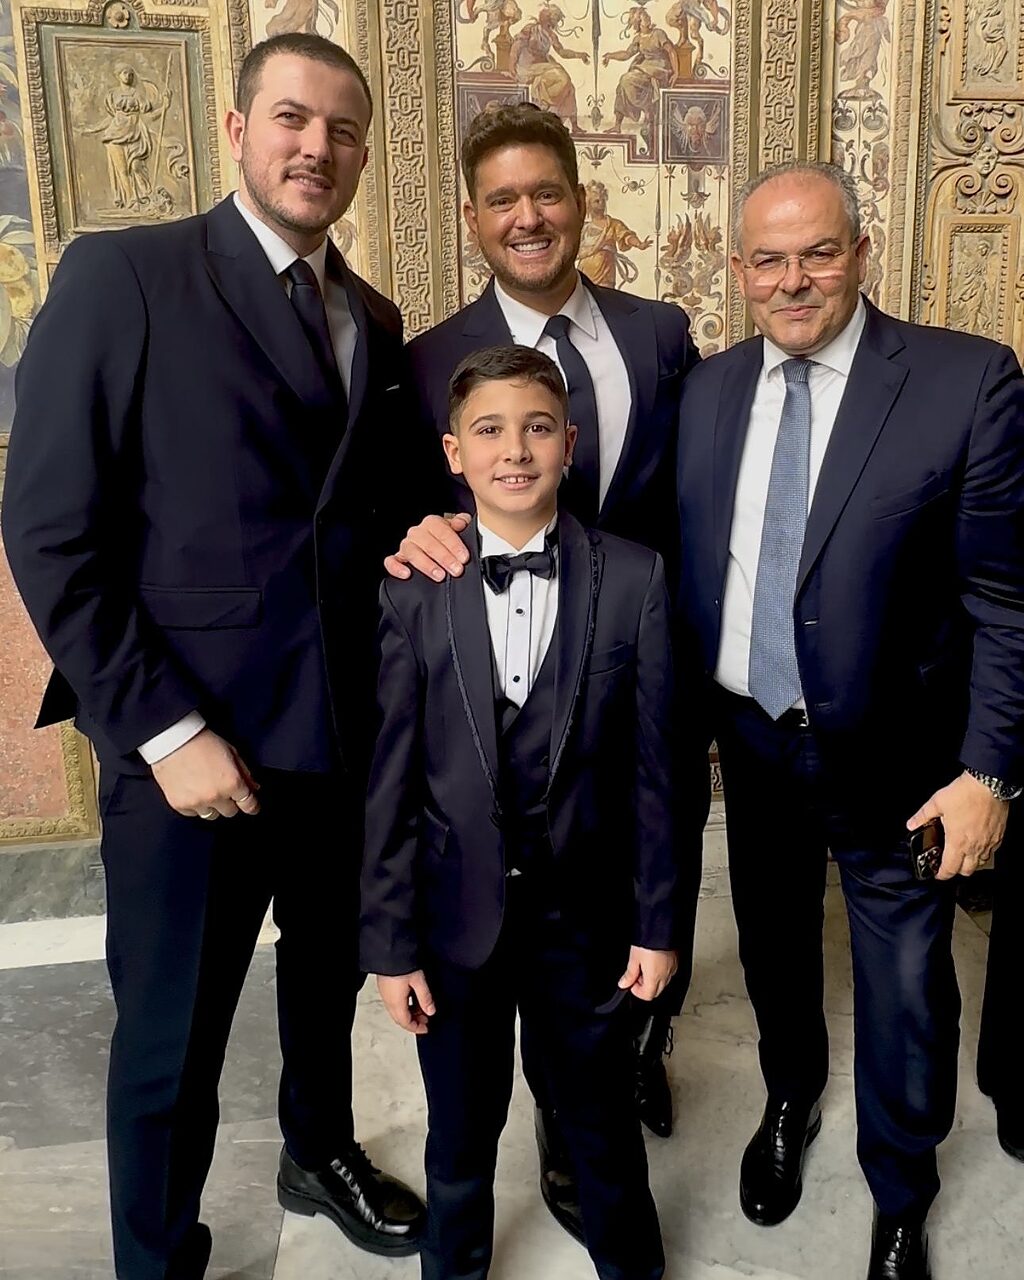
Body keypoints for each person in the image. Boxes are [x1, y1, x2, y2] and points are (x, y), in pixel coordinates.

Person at [2, 32, 441, 1279]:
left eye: (342, 130)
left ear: (362, 154)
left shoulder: (374, 317)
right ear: (239, 129)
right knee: (171, 1040)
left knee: (324, 978)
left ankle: (318, 1147)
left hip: (339, 737)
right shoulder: (125, 276)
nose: (317, 147)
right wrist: (166, 729)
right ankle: (157, 1257)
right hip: (187, 749)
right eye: (292, 118)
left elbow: (365, 514)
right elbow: (50, 525)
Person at [674, 160, 1024, 1279]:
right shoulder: (708, 390)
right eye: (769, 260)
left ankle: (900, 1192)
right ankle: (788, 1096)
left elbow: (1006, 600)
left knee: (908, 989)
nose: (793, 281)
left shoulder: (964, 380)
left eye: (819, 253)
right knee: (775, 946)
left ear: (860, 254)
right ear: (737, 269)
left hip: (903, 763)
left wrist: (988, 772)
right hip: (751, 743)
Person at [391, 100, 703, 1243]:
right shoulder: (426, 357)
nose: (527, 216)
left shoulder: (660, 333)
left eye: (547, 192)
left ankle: (621, 1060)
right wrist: (414, 536)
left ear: (580, 199)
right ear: (474, 218)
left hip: (630, 662)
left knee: (619, 929)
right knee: (472, 1090)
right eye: (501, 199)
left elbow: (689, 494)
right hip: (491, 692)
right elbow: (408, 513)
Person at [361, 344, 678, 1280]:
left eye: (538, 428)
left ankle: (632, 1266)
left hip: (587, 920)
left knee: (600, 1123)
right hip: (454, 921)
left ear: (569, 444)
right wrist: (390, 945)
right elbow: (391, 782)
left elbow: (657, 776)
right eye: (490, 431)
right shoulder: (413, 589)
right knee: (460, 1134)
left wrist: (658, 926)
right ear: (453, 452)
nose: (515, 450)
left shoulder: (636, 578)